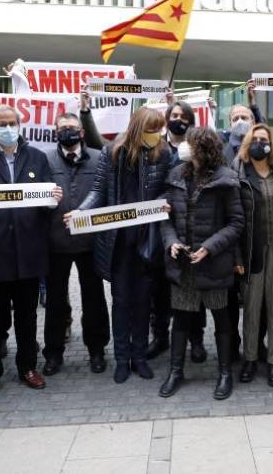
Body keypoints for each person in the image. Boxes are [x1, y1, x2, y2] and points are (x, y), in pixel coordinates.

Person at [0, 105, 63, 399]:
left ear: (20, 125)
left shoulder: (36, 157)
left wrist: (51, 199)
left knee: (27, 316)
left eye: (12, 123)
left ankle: (28, 367)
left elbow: (46, 197)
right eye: (1, 123)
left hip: (29, 252)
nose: (7, 128)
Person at [70, 107, 172, 384]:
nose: (157, 135)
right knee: (121, 302)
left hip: (147, 240)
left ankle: (139, 357)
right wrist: (81, 212)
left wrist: (165, 201)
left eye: (159, 129)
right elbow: (99, 190)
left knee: (142, 302)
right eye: (152, 129)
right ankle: (122, 359)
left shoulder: (163, 153)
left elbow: (168, 187)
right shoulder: (112, 152)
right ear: (139, 128)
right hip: (117, 243)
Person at [158, 127, 244, 400]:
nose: (183, 146)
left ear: (202, 148)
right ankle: (175, 371)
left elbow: (236, 223)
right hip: (184, 265)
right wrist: (171, 241)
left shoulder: (226, 180)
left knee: (222, 319)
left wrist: (209, 247)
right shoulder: (176, 175)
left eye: (189, 143)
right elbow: (165, 217)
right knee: (181, 319)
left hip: (214, 264)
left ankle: (224, 373)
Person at [43, 113, 110, 376]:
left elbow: (104, 192)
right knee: (55, 301)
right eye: (62, 128)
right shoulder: (45, 159)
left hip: (90, 241)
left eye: (72, 128)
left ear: (82, 132)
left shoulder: (98, 157)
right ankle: (53, 353)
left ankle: (97, 349)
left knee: (94, 298)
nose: (67, 132)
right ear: (54, 131)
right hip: (55, 241)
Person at [146, 100, 208, 363]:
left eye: (184, 116)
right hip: (161, 227)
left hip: (192, 229)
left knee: (193, 288)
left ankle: (196, 339)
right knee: (160, 288)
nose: (178, 119)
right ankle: (160, 336)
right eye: (174, 114)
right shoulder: (156, 146)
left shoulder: (198, 148)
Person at [232, 124, 273, 387]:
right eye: (254, 139)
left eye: (264, 140)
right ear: (247, 143)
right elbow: (232, 218)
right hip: (252, 250)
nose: (260, 143)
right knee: (253, 307)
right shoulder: (239, 173)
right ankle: (250, 358)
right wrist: (236, 257)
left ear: (272, 144)